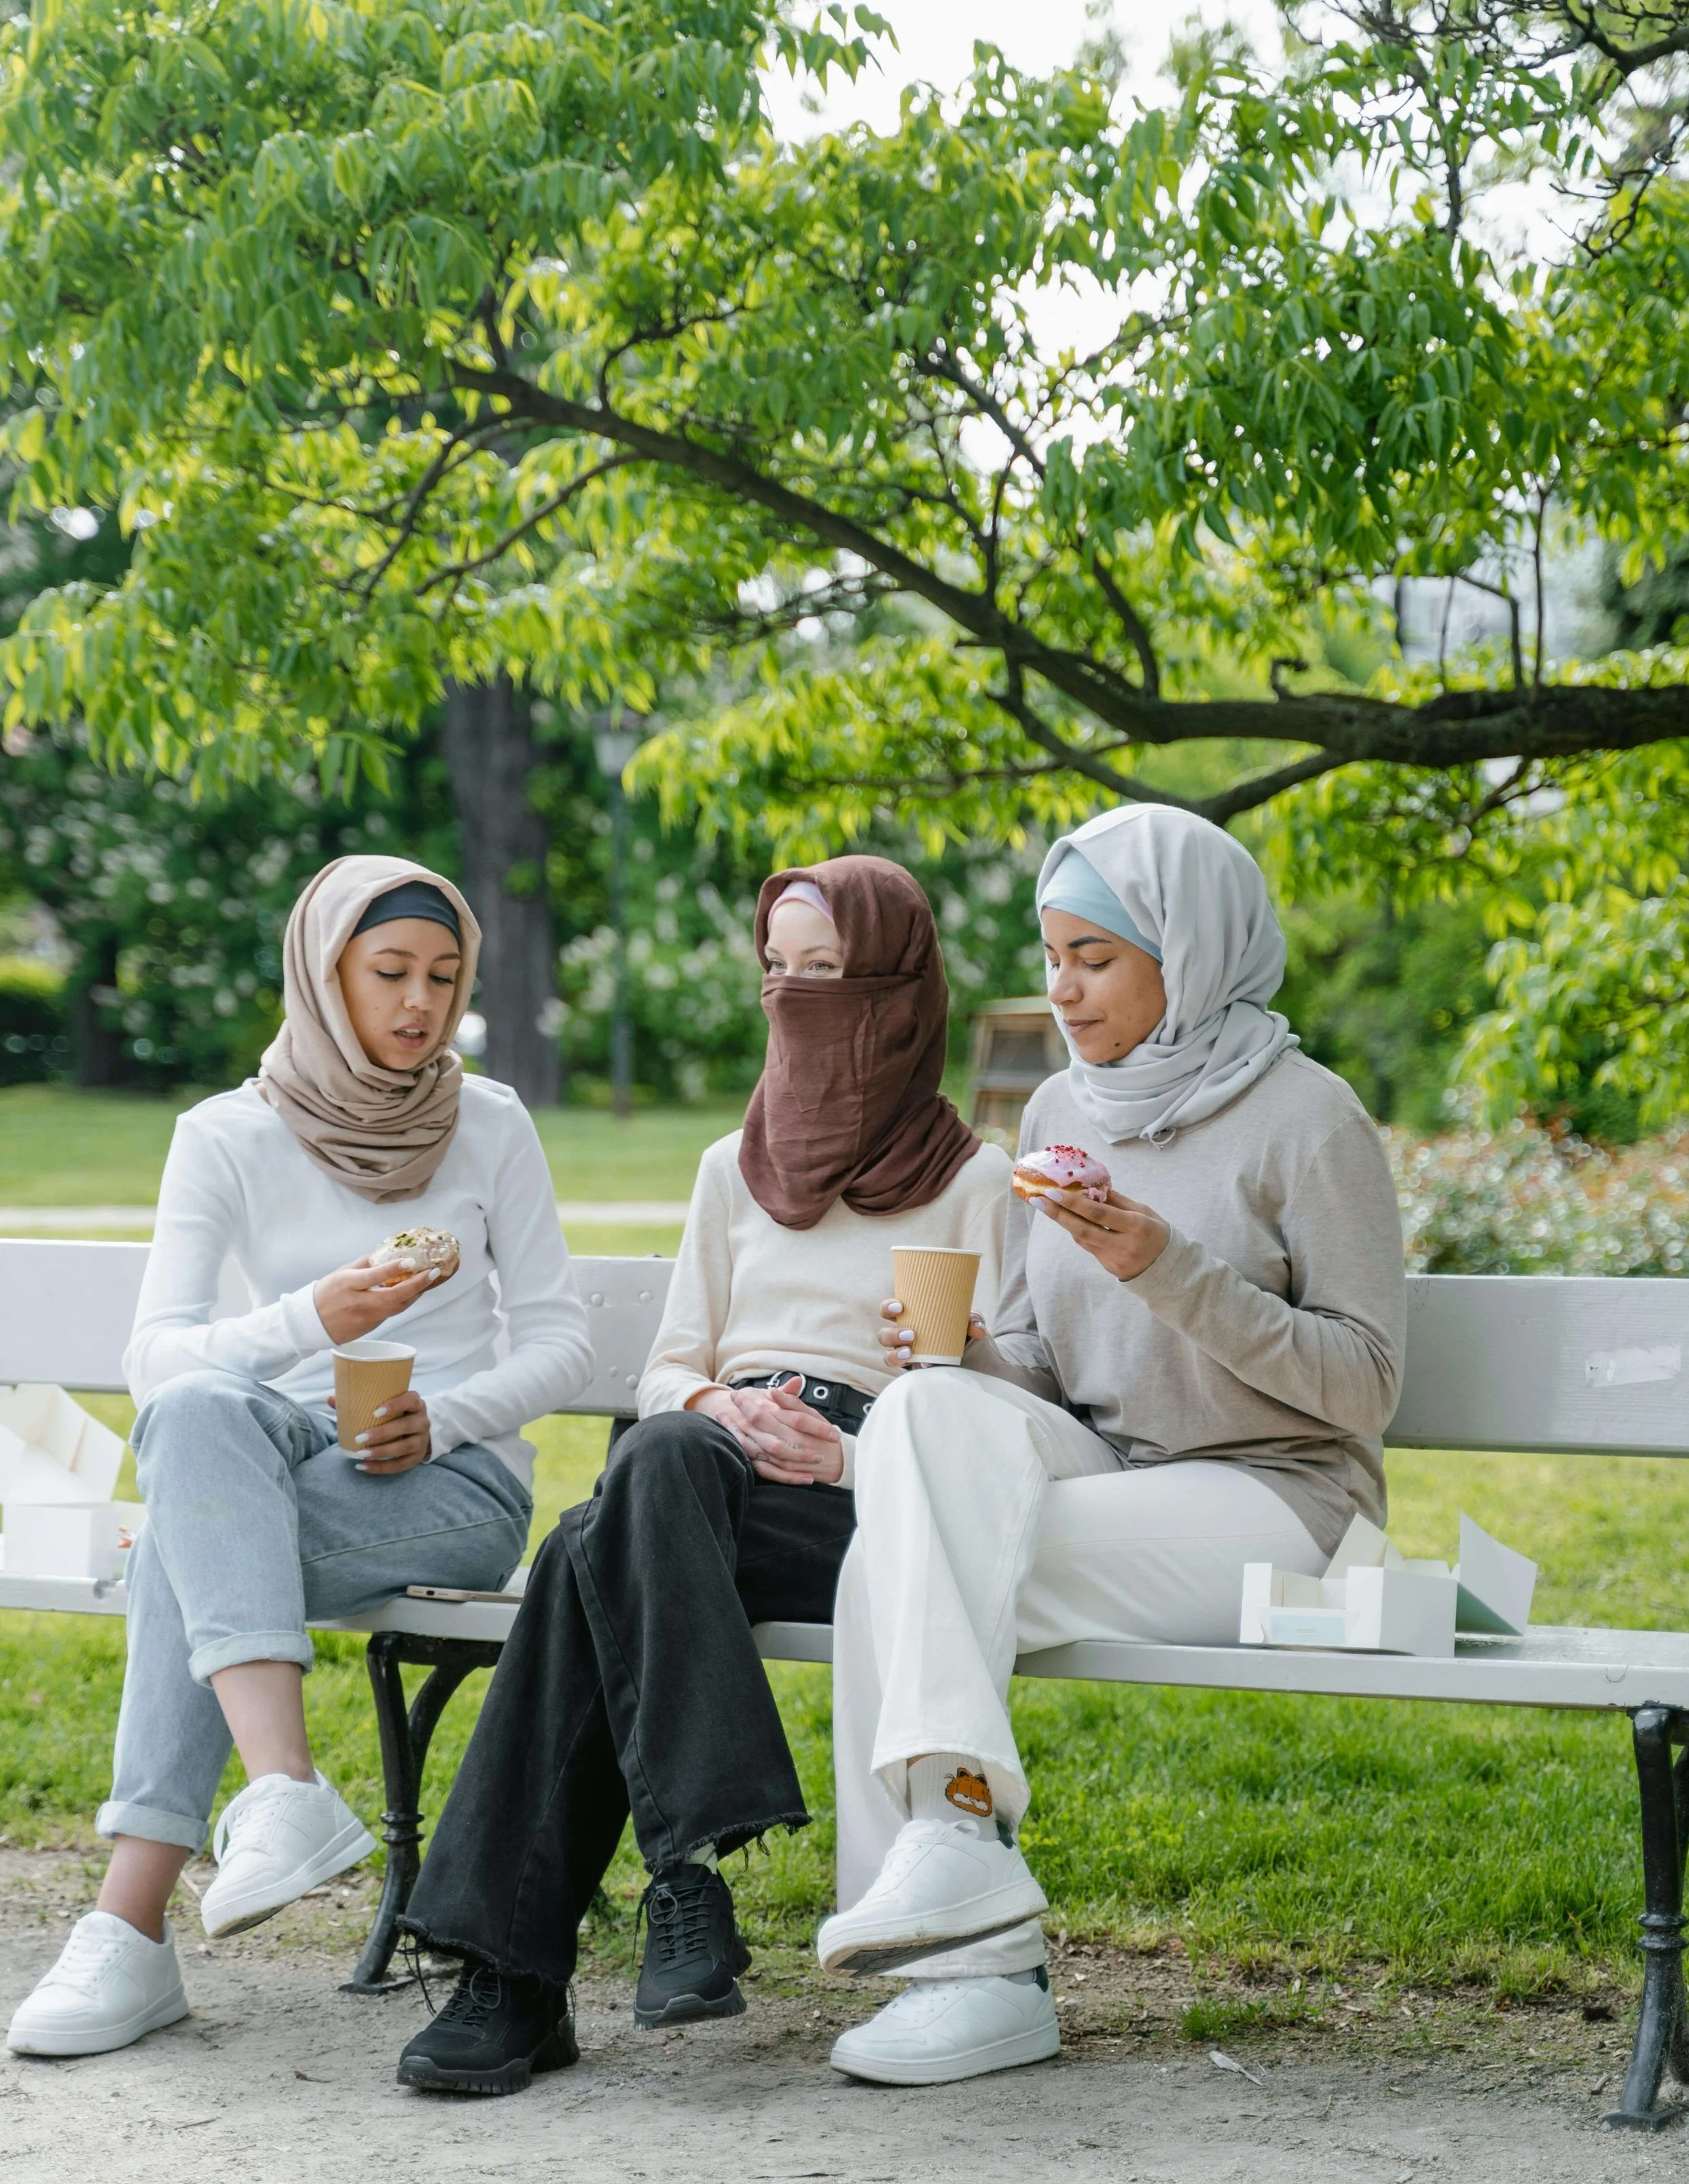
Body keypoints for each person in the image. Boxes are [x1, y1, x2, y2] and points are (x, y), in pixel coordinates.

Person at [395, 856, 1010, 2095]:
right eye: (774, 971)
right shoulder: (733, 1169)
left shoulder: (975, 1177)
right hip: (708, 1464)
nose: (791, 996)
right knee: (661, 1456)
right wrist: (715, 1403)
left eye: (823, 973)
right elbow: (671, 1368)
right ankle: (680, 1883)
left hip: (867, 1493)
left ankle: (514, 1978)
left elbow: (1004, 1408)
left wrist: (853, 1443)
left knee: (585, 1552)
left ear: (892, 988)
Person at [820, 804, 1407, 2087]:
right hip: (1120, 1474)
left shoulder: (1310, 1119)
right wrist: (966, 1355)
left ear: (1184, 953)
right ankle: (960, 1889)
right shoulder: (1055, 1114)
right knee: (922, 1417)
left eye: (1095, 956)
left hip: (1284, 1500)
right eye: (1051, 953)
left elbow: (1365, 1385)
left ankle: (970, 1954)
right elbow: (1042, 1362)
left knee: (892, 1575)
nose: (1061, 986)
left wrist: (1169, 1268)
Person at [6, 856, 591, 2062]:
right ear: (324, 975)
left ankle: (132, 1925)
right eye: (389, 974)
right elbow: (161, 1358)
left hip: (451, 1480)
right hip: (272, 1455)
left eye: (444, 976)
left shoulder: (489, 1123)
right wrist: (311, 1320)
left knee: (187, 1531)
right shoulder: (223, 1136)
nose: (420, 1004)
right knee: (199, 1426)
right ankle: (282, 1790)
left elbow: (561, 1337)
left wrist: (454, 1414)